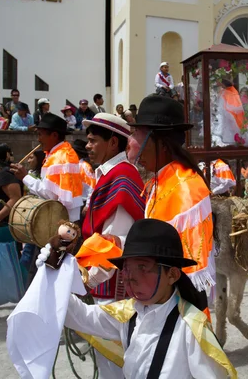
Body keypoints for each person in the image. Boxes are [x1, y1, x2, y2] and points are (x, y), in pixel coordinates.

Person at [41, 218, 236, 378]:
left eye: (142, 267)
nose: (131, 277)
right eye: (126, 269)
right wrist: (54, 273)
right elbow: (77, 316)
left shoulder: (192, 328)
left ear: (173, 275)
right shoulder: (128, 313)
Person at [126, 95, 215, 306]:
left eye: (140, 137)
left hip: (178, 305)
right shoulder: (162, 179)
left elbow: (190, 269)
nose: (135, 147)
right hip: (157, 296)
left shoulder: (186, 188)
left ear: (162, 144)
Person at [80, 113, 145, 378]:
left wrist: (85, 280)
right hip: (106, 284)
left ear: (113, 144)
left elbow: (114, 244)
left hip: (113, 288)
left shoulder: (121, 178)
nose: (88, 145)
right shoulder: (111, 175)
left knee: (114, 362)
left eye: (94, 140)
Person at [11, 114, 86, 223]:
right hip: (66, 217)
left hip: (62, 219)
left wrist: (25, 177)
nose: (38, 139)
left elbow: (49, 193)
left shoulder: (59, 157)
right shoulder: (64, 153)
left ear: (54, 135)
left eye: (40, 135)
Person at [216, 79, 248, 146]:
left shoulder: (228, 92)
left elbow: (231, 109)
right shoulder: (230, 92)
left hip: (229, 120)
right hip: (226, 119)